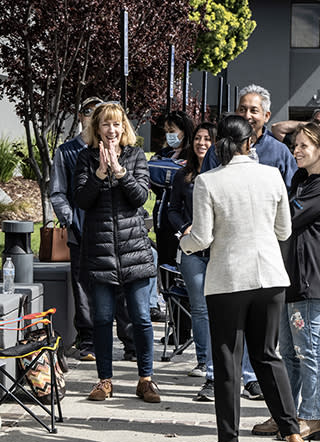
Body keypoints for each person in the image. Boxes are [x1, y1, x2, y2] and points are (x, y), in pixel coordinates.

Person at [180, 115, 306, 442]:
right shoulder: (273, 175)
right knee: (268, 355)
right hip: (270, 276)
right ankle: (292, 432)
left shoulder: (208, 181)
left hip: (229, 280)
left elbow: (202, 237)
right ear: (251, 142)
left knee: (227, 359)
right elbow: (284, 231)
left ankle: (229, 441)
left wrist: (183, 243)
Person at [252, 123, 320, 441]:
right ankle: (284, 417)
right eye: (295, 145)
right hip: (289, 279)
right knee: (286, 352)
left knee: (308, 351)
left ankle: (311, 418)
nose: (296, 151)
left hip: (310, 280)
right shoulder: (300, 180)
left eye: (304, 146)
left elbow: (287, 217)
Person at [74, 102, 161, 403]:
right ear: (96, 128)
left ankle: (146, 378)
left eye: (117, 124)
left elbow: (140, 198)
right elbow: (82, 201)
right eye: (106, 125)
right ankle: (104, 380)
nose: (112, 130)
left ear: (124, 128)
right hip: (99, 249)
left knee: (140, 317)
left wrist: (120, 172)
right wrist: (99, 173)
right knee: (102, 318)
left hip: (133, 247)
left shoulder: (136, 156)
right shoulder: (85, 158)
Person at [50, 97, 137, 362]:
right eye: (89, 112)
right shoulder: (69, 152)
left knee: (123, 289)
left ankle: (130, 342)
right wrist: (70, 219)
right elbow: (58, 192)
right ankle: (88, 340)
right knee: (84, 287)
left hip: (117, 233)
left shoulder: (128, 153)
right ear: (83, 118)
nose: (104, 124)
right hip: (82, 230)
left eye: (113, 121)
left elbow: (138, 192)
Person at [167, 121, 217, 400]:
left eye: (208, 139)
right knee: (199, 307)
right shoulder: (183, 175)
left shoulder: (221, 174)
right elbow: (171, 210)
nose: (202, 143)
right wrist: (184, 227)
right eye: (198, 138)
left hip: (217, 249)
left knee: (216, 306)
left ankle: (214, 362)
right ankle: (202, 360)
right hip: (191, 250)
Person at [152, 111, 194, 270]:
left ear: (185, 131)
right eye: (166, 132)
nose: (169, 135)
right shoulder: (162, 155)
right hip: (162, 216)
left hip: (183, 218)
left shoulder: (192, 155)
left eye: (172, 131)